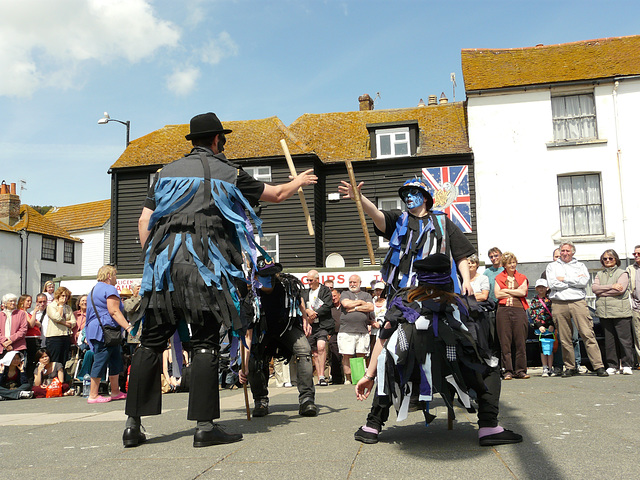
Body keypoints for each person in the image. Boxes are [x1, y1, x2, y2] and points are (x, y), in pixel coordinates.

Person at [124, 112, 317, 448]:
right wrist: (297, 181)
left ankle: (132, 425)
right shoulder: (230, 172)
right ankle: (204, 427)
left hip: (164, 269)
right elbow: (276, 195)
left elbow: (144, 222)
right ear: (217, 140)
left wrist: (154, 261)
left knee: (151, 344)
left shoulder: (164, 173)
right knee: (203, 343)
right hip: (206, 271)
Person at [353, 254, 522, 447]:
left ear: (420, 278)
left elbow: (383, 339)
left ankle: (372, 426)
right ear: (448, 277)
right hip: (455, 370)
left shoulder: (403, 299)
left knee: (388, 363)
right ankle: (489, 427)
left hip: (412, 370)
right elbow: (477, 342)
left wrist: (369, 376)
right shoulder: (461, 302)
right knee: (490, 365)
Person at [338, 178, 474, 297]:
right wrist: (360, 198)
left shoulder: (442, 221)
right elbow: (376, 215)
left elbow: (460, 255)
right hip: (406, 290)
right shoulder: (400, 220)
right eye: (405, 194)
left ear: (425, 197)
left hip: (440, 289)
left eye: (414, 192)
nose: (408, 196)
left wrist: (466, 281)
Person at [239, 258, 317, 417]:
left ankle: (307, 400)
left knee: (304, 349)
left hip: (285, 328)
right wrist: (244, 366)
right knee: (254, 360)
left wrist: (304, 317)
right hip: (263, 333)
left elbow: (299, 298)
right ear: (255, 278)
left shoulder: (286, 285)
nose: (269, 278)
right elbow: (248, 335)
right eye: (264, 275)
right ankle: (260, 400)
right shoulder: (250, 299)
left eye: (272, 274)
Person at [546, 242, 608, 377]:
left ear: (573, 252)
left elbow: (583, 282)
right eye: (562, 250)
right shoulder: (552, 266)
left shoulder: (580, 266)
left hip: (578, 302)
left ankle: (598, 366)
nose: (565, 253)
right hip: (559, 303)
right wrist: (573, 282)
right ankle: (570, 367)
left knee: (587, 334)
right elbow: (553, 283)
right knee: (564, 337)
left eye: (568, 250)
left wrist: (565, 279)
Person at [85, 265, 131, 404]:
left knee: (115, 359)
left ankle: (115, 391)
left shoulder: (93, 290)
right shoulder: (110, 289)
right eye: (115, 275)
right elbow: (114, 311)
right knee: (101, 360)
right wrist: (128, 327)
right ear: (109, 276)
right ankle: (93, 395)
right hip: (105, 330)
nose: (116, 278)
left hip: (99, 330)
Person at [592, 249, 634, 375]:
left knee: (624, 339)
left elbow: (620, 290)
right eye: (605, 259)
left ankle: (627, 365)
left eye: (610, 258)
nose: (608, 261)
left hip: (621, 311)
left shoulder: (623, 273)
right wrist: (611, 286)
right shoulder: (599, 274)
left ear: (616, 259)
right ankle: (612, 365)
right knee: (609, 340)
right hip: (604, 312)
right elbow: (594, 288)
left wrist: (602, 292)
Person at [494, 252, 530, 380]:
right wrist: (515, 292)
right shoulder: (499, 277)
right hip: (503, 311)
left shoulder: (522, 277)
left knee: (520, 341)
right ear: (505, 265)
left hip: (519, 310)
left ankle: (520, 370)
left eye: (514, 262)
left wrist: (506, 291)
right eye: (509, 263)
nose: (512, 265)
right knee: (505, 342)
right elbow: (497, 295)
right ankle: (507, 370)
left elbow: (523, 292)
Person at [338, 275, 374, 384]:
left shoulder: (366, 295)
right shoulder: (345, 294)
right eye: (350, 282)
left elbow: (371, 307)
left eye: (354, 282)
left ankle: (359, 378)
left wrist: (355, 308)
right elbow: (345, 303)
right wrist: (362, 303)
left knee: (361, 354)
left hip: (362, 330)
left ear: (360, 282)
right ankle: (348, 379)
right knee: (347, 355)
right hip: (346, 330)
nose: (352, 284)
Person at [301, 269, 334, 386]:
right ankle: (319, 376)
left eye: (311, 280)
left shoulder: (325, 291)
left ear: (317, 280)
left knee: (321, 347)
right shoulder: (305, 292)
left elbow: (327, 305)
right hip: (310, 325)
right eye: (307, 280)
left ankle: (322, 376)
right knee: (314, 352)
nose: (309, 282)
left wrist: (315, 313)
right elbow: (301, 305)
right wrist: (307, 311)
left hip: (322, 324)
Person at [529, 279, 555, 377]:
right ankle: (544, 367)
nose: (541, 289)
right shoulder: (534, 300)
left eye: (543, 287)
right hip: (540, 329)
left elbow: (554, 313)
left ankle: (550, 367)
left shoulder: (550, 299)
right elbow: (533, 314)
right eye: (539, 287)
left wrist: (552, 324)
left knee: (550, 349)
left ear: (547, 288)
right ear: (536, 288)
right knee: (543, 349)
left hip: (550, 328)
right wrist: (539, 326)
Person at [45, 287, 76, 365]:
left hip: (66, 336)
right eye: (62, 296)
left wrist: (64, 323)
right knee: (55, 360)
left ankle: (62, 376)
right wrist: (60, 306)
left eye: (66, 296)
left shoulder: (68, 308)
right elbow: (57, 317)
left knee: (64, 360)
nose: (64, 298)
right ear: (58, 295)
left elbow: (73, 322)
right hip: (54, 337)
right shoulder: (51, 306)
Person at [1, 294, 28, 359]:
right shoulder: (0, 315)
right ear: (5, 303)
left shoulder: (21, 313)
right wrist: (5, 342)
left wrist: (11, 340)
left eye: (14, 301)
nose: (13, 303)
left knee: (18, 368)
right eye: (10, 301)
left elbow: (23, 329)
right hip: (2, 347)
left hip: (18, 346)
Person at [25, 293, 45, 379]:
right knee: (32, 360)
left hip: (36, 338)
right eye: (28, 301)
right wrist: (35, 312)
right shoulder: (23, 312)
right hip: (31, 339)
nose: (30, 303)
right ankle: (30, 379)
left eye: (30, 301)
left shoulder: (27, 313)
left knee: (34, 360)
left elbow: (39, 324)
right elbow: (32, 324)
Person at [627, 245, 640, 368]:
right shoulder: (630, 269)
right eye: (634, 254)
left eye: (638, 254)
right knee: (638, 336)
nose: (636, 256)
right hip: (636, 307)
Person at [328, 288, 343, 384]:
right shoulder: (329, 308)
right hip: (334, 334)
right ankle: (336, 378)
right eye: (331, 297)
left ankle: (348, 377)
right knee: (334, 356)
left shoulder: (345, 307)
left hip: (346, 332)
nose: (333, 298)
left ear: (339, 295)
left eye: (334, 296)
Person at [370, 282, 386, 357]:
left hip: (383, 331)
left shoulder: (388, 302)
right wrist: (371, 322)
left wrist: (380, 324)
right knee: (372, 352)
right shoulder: (371, 302)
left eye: (380, 290)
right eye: (377, 290)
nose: (378, 292)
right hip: (371, 332)